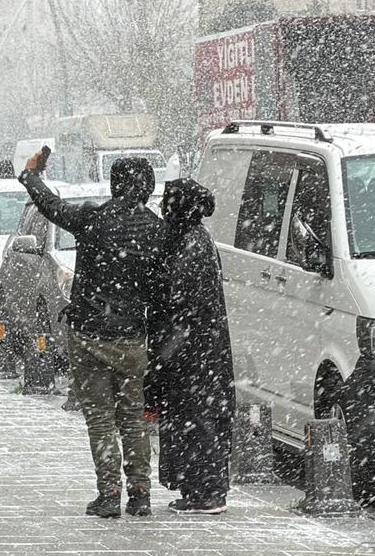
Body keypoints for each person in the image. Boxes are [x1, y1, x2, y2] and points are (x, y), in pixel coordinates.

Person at [19, 148, 164, 518]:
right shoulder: (156, 230)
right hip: (132, 337)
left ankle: (109, 493)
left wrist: (31, 176)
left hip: (88, 333)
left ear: (115, 185)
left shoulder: (92, 219)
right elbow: (160, 288)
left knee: (100, 418)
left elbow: (51, 206)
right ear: (147, 186)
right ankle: (141, 493)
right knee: (132, 417)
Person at [146, 178, 236, 514]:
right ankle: (200, 488)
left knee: (197, 419)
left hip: (194, 353)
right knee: (198, 417)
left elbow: (182, 307)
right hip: (202, 350)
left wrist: (165, 354)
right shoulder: (196, 240)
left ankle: (207, 491)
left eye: (167, 204)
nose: (162, 210)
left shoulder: (190, 246)